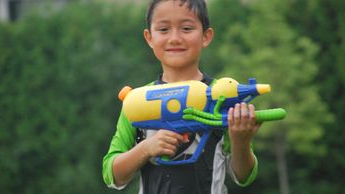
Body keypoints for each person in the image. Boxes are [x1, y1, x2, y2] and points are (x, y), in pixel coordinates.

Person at [102, 0, 261, 193]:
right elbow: (111, 174)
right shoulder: (136, 102)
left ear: (206, 36)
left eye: (186, 28)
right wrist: (146, 148)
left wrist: (241, 141)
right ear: (149, 37)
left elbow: (244, 176)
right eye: (163, 29)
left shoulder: (223, 96)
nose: (175, 38)